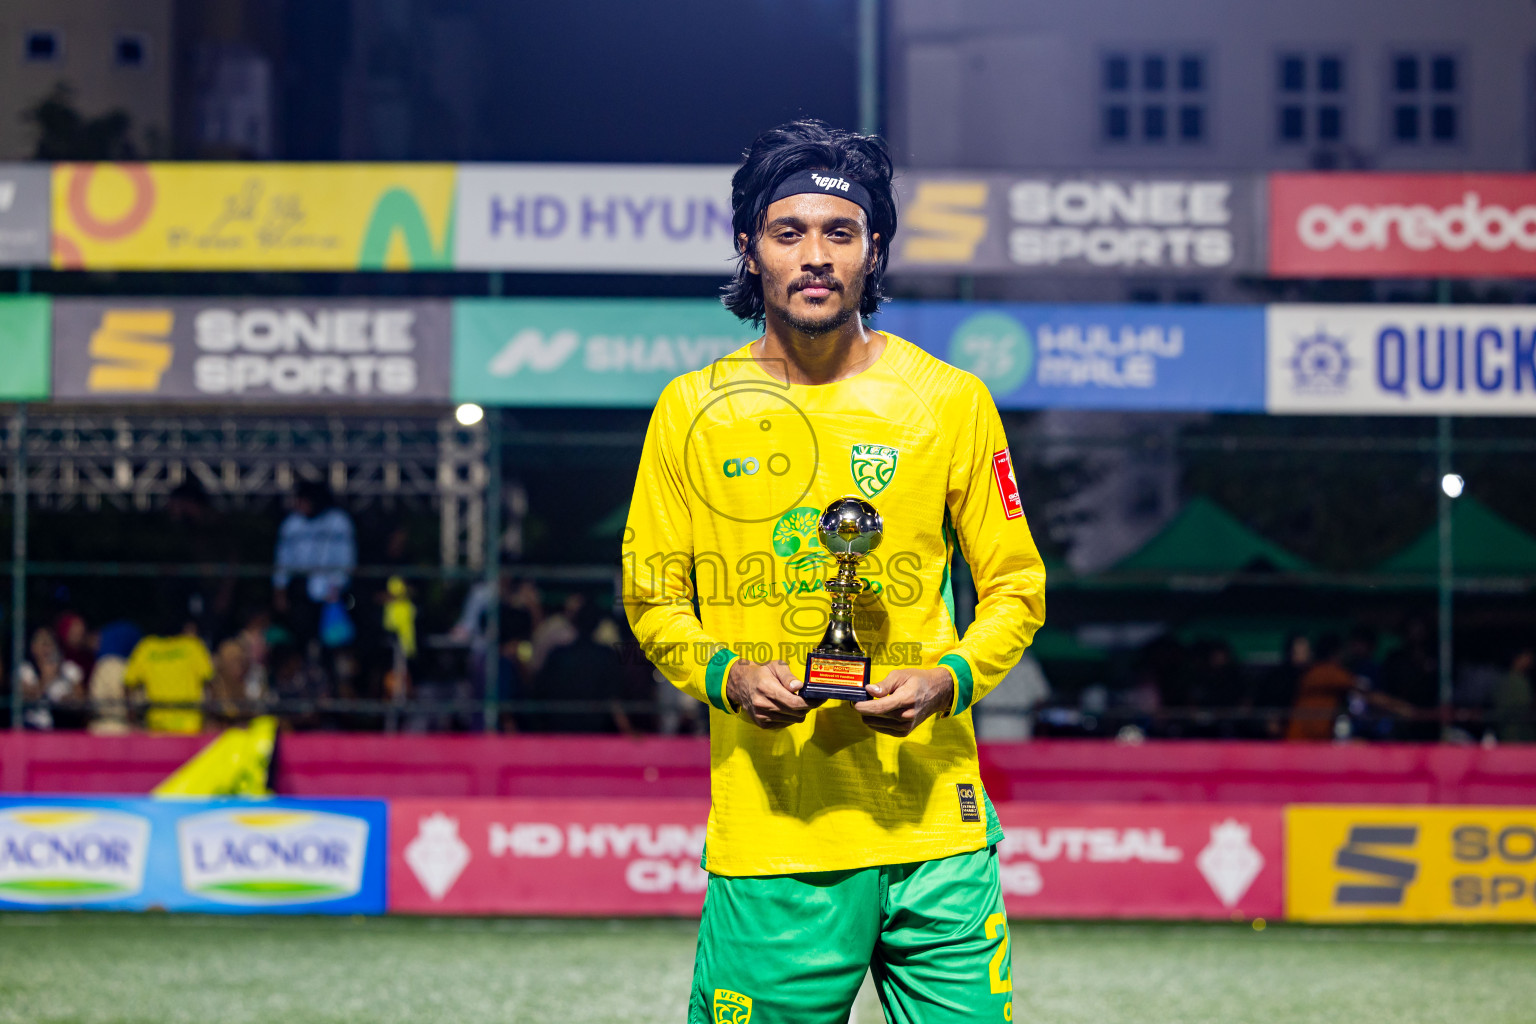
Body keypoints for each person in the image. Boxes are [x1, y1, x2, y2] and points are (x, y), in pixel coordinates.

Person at [623, 120, 1045, 1024]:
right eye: (789, 232)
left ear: (873, 250)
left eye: (839, 232)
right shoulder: (692, 409)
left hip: (937, 838)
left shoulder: (952, 401)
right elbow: (653, 597)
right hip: (774, 838)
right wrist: (727, 676)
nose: (815, 255)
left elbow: (1017, 585)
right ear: (750, 250)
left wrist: (950, 677)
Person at [272, 479, 356, 688]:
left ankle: (332, 690)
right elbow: (283, 560)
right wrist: (280, 591)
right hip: (301, 591)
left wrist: (337, 586)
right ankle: (299, 689)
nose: (299, 505)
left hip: (332, 594)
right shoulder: (292, 523)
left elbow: (346, 559)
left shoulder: (338, 521)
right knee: (298, 644)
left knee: (332, 647)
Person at [123, 618, 214, 735]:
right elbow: (210, 684)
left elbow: (128, 685)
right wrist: (209, 718)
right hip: (188, 727)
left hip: (160, 728)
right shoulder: (193, 645)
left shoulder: (146, 647)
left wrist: (132, 719)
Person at [17, 627, 86, 731]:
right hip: (33, 727)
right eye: (42, 644)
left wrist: (67, 701)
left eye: (49, 644)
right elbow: (27, 698)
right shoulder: (26, 670)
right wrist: (46, 678)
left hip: (64, 725)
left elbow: (81, 700)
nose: (46, 649)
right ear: (33, 648)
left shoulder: (69, 669)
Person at [1491, 647, 1534, 743]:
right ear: (1517, 658)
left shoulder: (1522, 679)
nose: (1530, 662)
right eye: (1527, 657)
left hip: (1523, 732)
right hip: (1513, 732)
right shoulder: (1510, 680)